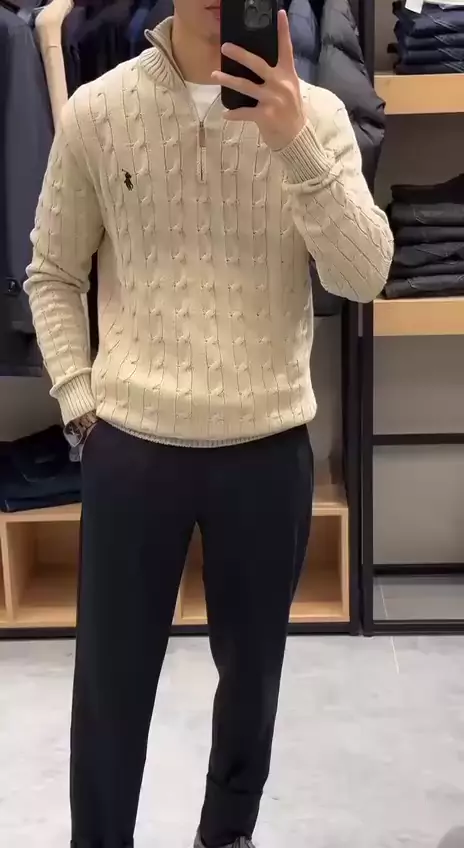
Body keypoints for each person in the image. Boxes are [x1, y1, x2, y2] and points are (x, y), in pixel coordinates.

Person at [25, 2, 393, 846]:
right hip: (131, 445)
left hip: (267, 444)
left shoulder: (317, 116)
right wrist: (79, 402)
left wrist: (294, 144)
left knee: (253, 679)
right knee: (110, 688)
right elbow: (52, 271)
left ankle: (226, 834)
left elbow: (365, 274)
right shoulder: (99, 111)